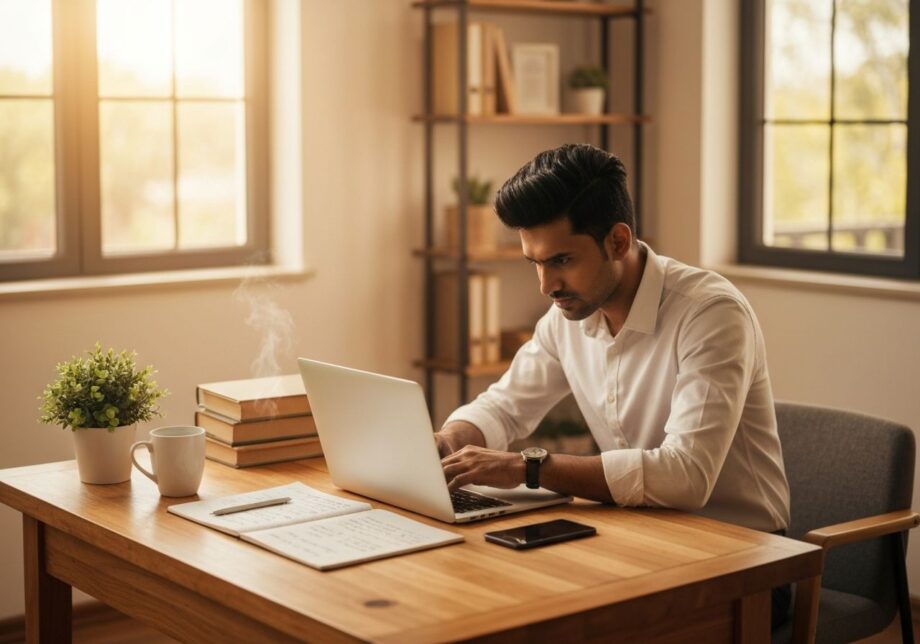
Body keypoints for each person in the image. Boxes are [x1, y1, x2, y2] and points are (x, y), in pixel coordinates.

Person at [435, 143, 791, 628]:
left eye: (561, 260)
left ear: (618, 241)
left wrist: (527, 467)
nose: (546, 284)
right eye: (534, 263)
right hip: (636, 540)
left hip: (742, 564)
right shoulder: (567, 314)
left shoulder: (710, 314)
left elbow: (685, 477)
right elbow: (505, 406)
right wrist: (448, 442)